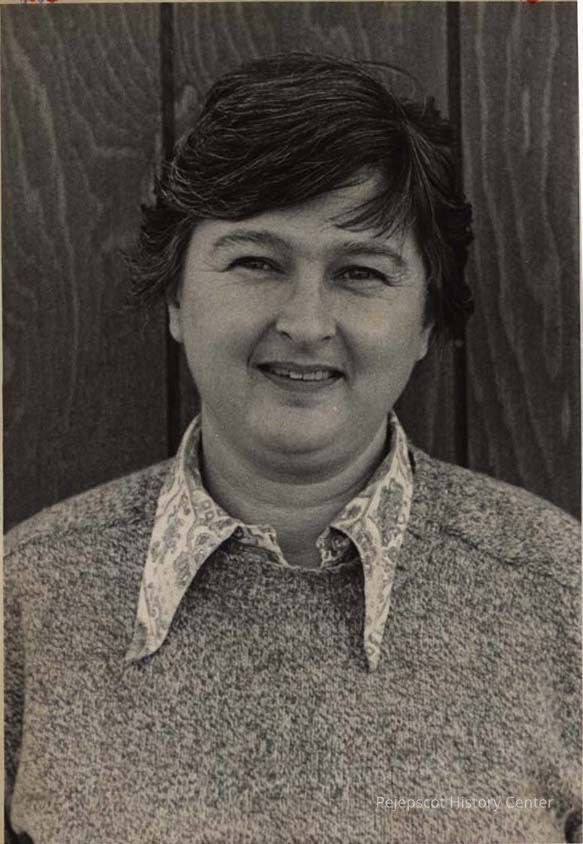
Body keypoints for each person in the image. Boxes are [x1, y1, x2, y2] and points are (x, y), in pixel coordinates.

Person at [4, 53, 581, 844]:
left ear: (424, 320)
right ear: (175, 298)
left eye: (360, 272)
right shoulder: (27, 597)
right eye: (256, 262)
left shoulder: (559, 592)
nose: (306, 323)